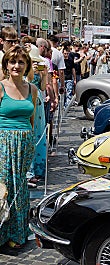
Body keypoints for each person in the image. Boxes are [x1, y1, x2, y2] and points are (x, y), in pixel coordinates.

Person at [0, 45, 37, 248]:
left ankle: (17, 233)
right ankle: (2, 233)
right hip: (3, 143)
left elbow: (31, 121)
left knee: (20, 187)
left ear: (27, 65)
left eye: (21, 62)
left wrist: (29, 141)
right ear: (6, 65)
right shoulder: (1, 87)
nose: (17, 65)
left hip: (24, 144)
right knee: (4, 187)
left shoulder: (32, 89)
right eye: (12, 61)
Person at [26, 45, 47, 186]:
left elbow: (43, 87)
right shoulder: (24, 71)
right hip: (29, 100)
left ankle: (39, 169)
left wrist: (44, 75)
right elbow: (26, 83)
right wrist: (31, 72)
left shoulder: (39, 72)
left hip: (39, 102)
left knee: (40, 134)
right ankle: (29, 171)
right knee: (32, 134)